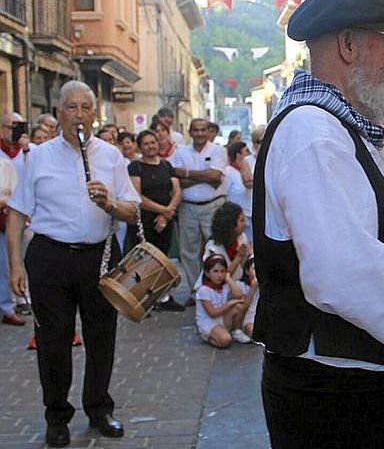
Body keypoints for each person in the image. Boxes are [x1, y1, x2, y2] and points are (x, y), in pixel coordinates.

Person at [251, 0, 384, 448]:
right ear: (347, 44)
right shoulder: (315, 132)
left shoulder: (343, 127)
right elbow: (343, 274)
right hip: (332, 393)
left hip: (353, 380)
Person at [6, 80, 140, 447]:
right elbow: (17, 213)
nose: (78, 115)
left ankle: (99, 408)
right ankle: (56, 416)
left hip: (99, 257)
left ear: (95, 115)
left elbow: (133, 210)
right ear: (58, 113)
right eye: (71, 107)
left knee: (102, 337)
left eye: (85, 108)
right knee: (53, 341)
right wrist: (15, 264)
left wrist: (110, 203)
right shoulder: (38, 157)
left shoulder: (110, 156)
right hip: (50, 257)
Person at [127, 130, 183, 312]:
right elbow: (137, 196)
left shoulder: (166, 165)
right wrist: (163, 211)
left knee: (163, 258)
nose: (150, 146)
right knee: (143, 261)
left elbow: (177, 191)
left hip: (165, 220)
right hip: (145, 220)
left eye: (153, 142)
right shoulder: (136, 167)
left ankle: (162, 296)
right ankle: (142, 299)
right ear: (139, 147)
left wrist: (166, 214)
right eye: (146, 143)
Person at [170, 118, 227, 296]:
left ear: (208, 131)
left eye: (203, 130)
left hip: (213, 206)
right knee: (189, 252)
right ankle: (196, 292)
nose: (200, 133)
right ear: (190, 132)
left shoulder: (218, 150)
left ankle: (216, 288)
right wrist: (206, 177)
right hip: (188, 207)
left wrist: (187, 173)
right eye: (196, 130)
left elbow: (216, 176)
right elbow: (177, 180)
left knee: (217, 247)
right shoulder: (180, 153)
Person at [195, 254, 249, 348]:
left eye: (222, 271)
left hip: (221, 317)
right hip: (208, 322)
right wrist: (230, 303)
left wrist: (228, 279)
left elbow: (239, 294)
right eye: (215, 271)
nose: (219, 275)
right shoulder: (204, 290)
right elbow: (213, 313)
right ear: (207, 273)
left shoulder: (224, 286)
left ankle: (236, 331)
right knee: (225, 340)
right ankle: (208, 336)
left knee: (240, 307)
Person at [202, 201, 250, 285]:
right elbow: (219, 278)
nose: (246, 224)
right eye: (241, 220)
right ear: (231, 225)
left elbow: (246, 271)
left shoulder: (242, 237)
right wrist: (238, 257)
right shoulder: (213, 247)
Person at [0, 155, 22, 326]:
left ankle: (6, 308)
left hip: (1, 222)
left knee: (3, 267)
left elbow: (16, 196)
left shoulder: (5, 165)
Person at [224, 141, 252, 211]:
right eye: (247, 151)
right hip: (236, 213)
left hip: (250, 212)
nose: (250, 153)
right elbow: (224, 194)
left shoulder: (248, 169)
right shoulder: (228, 172)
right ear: (238, 155)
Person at [239, 256, 259, 340]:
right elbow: (244, 306)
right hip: (248, 318)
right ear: (247, 271)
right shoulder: (241, 285)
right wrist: (253, 289)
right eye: (254, 269)